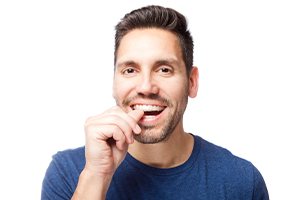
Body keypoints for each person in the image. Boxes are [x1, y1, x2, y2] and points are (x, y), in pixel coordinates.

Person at [41, 5, 269, 200]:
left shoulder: (242, 182)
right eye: (130, 70)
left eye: (164, 69)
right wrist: (96, 176)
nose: (146, 87)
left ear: (191, 82)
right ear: (114, 81)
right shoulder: (69, 173)